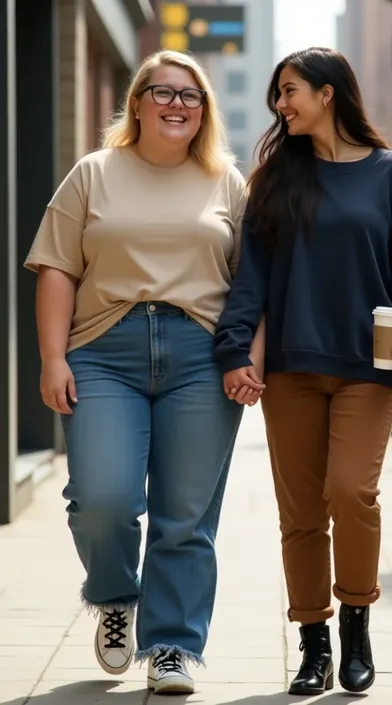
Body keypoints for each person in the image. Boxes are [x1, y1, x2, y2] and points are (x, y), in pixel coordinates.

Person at [24, 50, 264, 695]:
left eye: (191, 96)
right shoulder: (93, 173)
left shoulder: (226, 182)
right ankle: (113, 595)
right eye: (163, 92)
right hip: (103, 351)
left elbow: (253, 281)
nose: (177, 104)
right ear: (137, 102)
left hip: (202, 357)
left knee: (185, 517)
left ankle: (172, 647)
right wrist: (52, 358)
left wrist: (252, 356)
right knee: (103, 500)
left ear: (204, 109)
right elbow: (56, 269)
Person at [214, 47, 392, 696]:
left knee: (351, 491)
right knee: (301, 512)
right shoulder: (276, 178)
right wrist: (236, 350)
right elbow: (249, 280)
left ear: (328, 93)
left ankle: (357, 624)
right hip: (291, 368)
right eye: (277, 96)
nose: (281, 105)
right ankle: (313, 642)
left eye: (289, 91)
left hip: (370, 367)